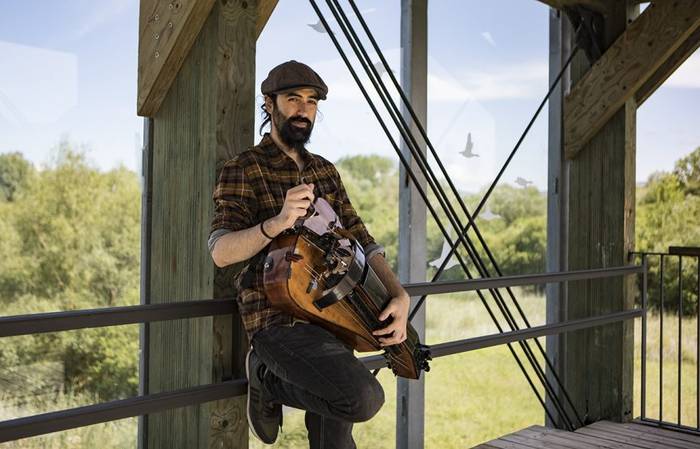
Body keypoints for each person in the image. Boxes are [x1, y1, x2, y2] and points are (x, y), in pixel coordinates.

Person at [208, 60, 410, 449]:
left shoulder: (326, 172)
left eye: (312, 101)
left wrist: (399, 295)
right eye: (293, 99)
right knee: (361, 398)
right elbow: (220, 251)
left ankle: (271, 384)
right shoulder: (244, 169)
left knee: (333, 439)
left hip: (334, 313)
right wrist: (278, 221)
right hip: (277, 320)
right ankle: (265, 379)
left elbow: (362, 239)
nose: (303, 109)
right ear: (269, 104)